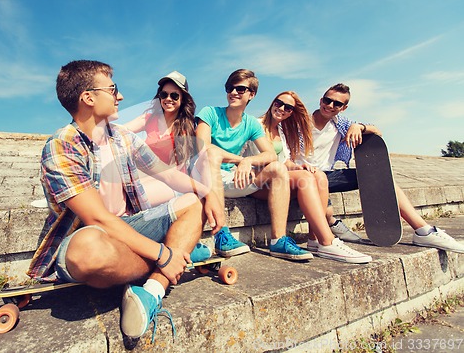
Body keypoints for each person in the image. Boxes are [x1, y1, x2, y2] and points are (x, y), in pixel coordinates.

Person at [27, 60, 224, 341]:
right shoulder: (62, 145)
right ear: (89, 98)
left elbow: (166, 173)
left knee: (193, 200)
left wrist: (209, 192)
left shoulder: (122, 138)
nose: (120, 96)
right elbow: (98, 220)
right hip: (90, 236)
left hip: (130, 227)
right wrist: (165, 254)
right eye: (113, 88)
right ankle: (181, 251)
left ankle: (154, 288)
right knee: (88, 252)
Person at [302, 83, 464, 253]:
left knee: (379, 176)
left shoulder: (340, 123)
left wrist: (359, 127)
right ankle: (333, 223)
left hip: (328, 176)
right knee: (326, 212)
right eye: (327, 100)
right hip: (304, 177)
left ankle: (424, 230)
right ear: (321, 100)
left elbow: (377, 131)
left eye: (337, 104)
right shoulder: (302, 121)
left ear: (344, 108)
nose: (330, 106)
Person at [196, 69, 312, 260]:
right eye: (230, 88)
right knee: (212, 153)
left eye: (240, 89)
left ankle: (279, 241)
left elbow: (270, 155)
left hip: (232, 179)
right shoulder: (210, 113)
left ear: (252, 94)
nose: (233, 92)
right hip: (207, 178)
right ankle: (221, 235)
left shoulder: (251, 123)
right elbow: (204, 149)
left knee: (277, 168)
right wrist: (241, 160)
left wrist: (249, 161)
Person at [252, 91, 371, 263]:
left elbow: (285, 161)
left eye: (288, 108)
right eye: (279, 103)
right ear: (272, 103)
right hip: (257, 181)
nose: (282, 109)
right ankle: (328, 240)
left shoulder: (281, 131)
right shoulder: (255, 125)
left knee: (319, 176)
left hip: (278, 180)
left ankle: (314, 240)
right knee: (305, 178)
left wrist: (300, 166)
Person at [126, 70, 212, 261]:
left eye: (174, 95)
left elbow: (192, 163)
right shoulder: (150, 117)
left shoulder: (189, 127)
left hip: (172, 183)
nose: (168, 99)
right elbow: (122, 131)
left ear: (183, 99)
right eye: (164, 94)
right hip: (148, 178)